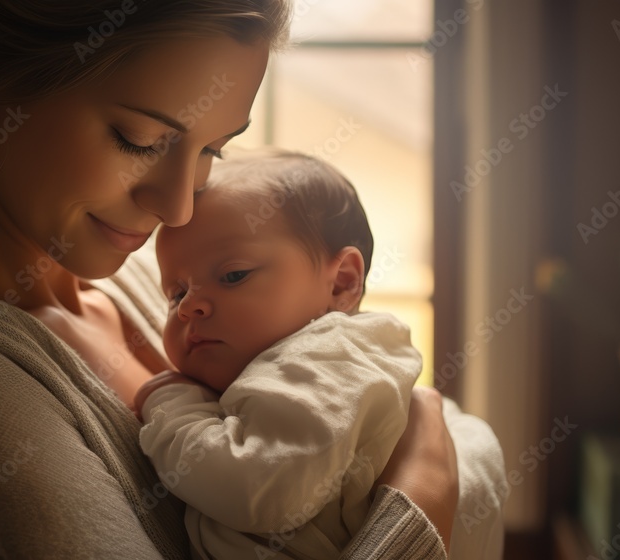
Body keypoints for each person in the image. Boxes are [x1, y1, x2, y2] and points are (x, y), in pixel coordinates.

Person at [0, 0, 504, 558]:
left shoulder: (143, 277)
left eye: (212, 151)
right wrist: (420, 507)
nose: (177, 205)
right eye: (140, 139)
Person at [135, 152, 505, 560]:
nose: (189, 307)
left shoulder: (328, 357)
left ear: (341, 283)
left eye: (233, 275)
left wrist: (171, 404)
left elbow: (258, 486)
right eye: (176, 293)